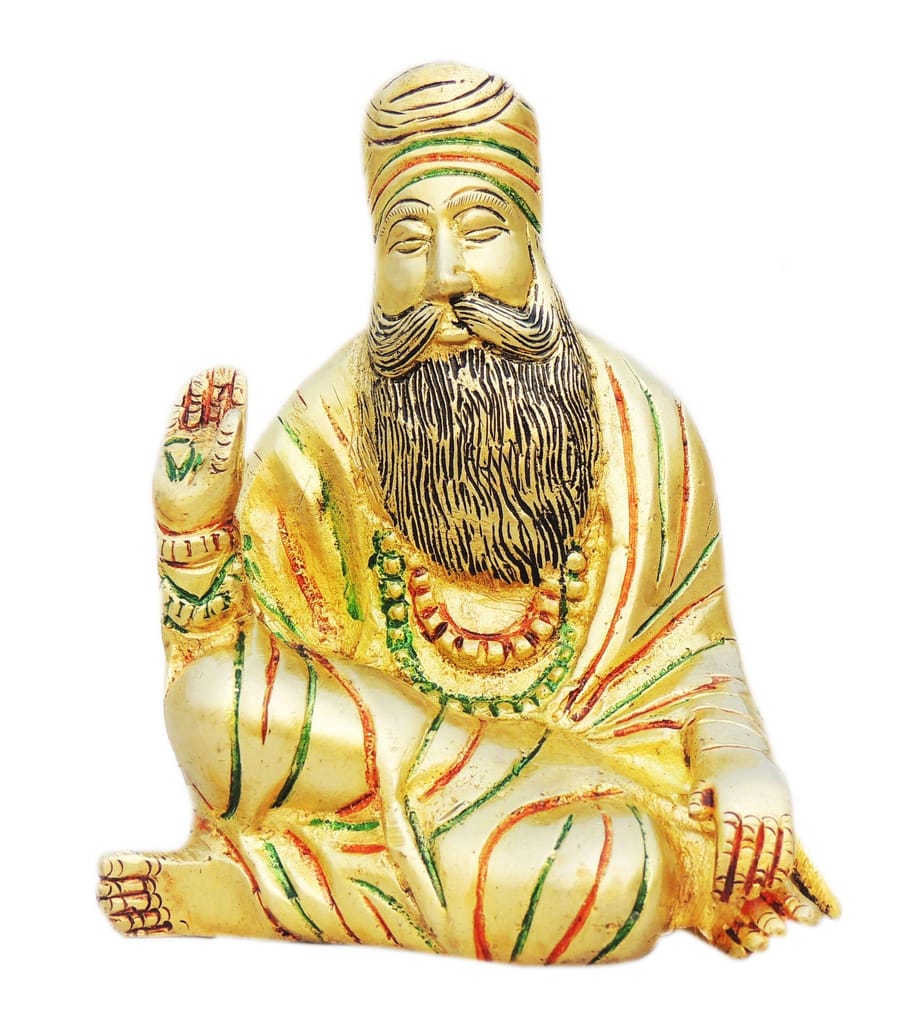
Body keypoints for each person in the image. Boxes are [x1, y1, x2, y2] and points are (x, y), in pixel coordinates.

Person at [98, 63, 837, 962]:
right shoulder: (324, 429)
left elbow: (694, 660)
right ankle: (395, 869)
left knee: (626, 875)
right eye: (409, 240)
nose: (447, 276)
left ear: (533, 240)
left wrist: (740, 766)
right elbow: (223, 669)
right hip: (384, 751)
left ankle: (263, 890)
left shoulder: (642, 428)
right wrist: (192, 530)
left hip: (584, 782)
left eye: (480, 230)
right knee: (210, 704)